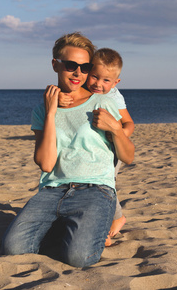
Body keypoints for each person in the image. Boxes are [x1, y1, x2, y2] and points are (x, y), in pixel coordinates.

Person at [2, 32, 135, 268]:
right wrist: (51, 112)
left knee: (77, 258)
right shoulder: (42, 109)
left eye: (85, 67)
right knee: (14, 249)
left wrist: (115, 129)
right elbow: (45, 164)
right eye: (71, 65)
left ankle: (81, 226)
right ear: (55, 64)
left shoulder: (103, 102)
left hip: (95, 190)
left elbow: (128, 156)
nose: (78, 73)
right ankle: (68, 226)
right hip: (53, 189)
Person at [59, 48, 134, 246]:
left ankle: (113, 219)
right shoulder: (82, 91)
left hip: (112, 149)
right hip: (93, 149)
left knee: (106, 182)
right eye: (94, 77)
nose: (98, 84)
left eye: (106, 81)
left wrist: (116, 134)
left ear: (116, 82)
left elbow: (129, 123)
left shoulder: (114, 97)